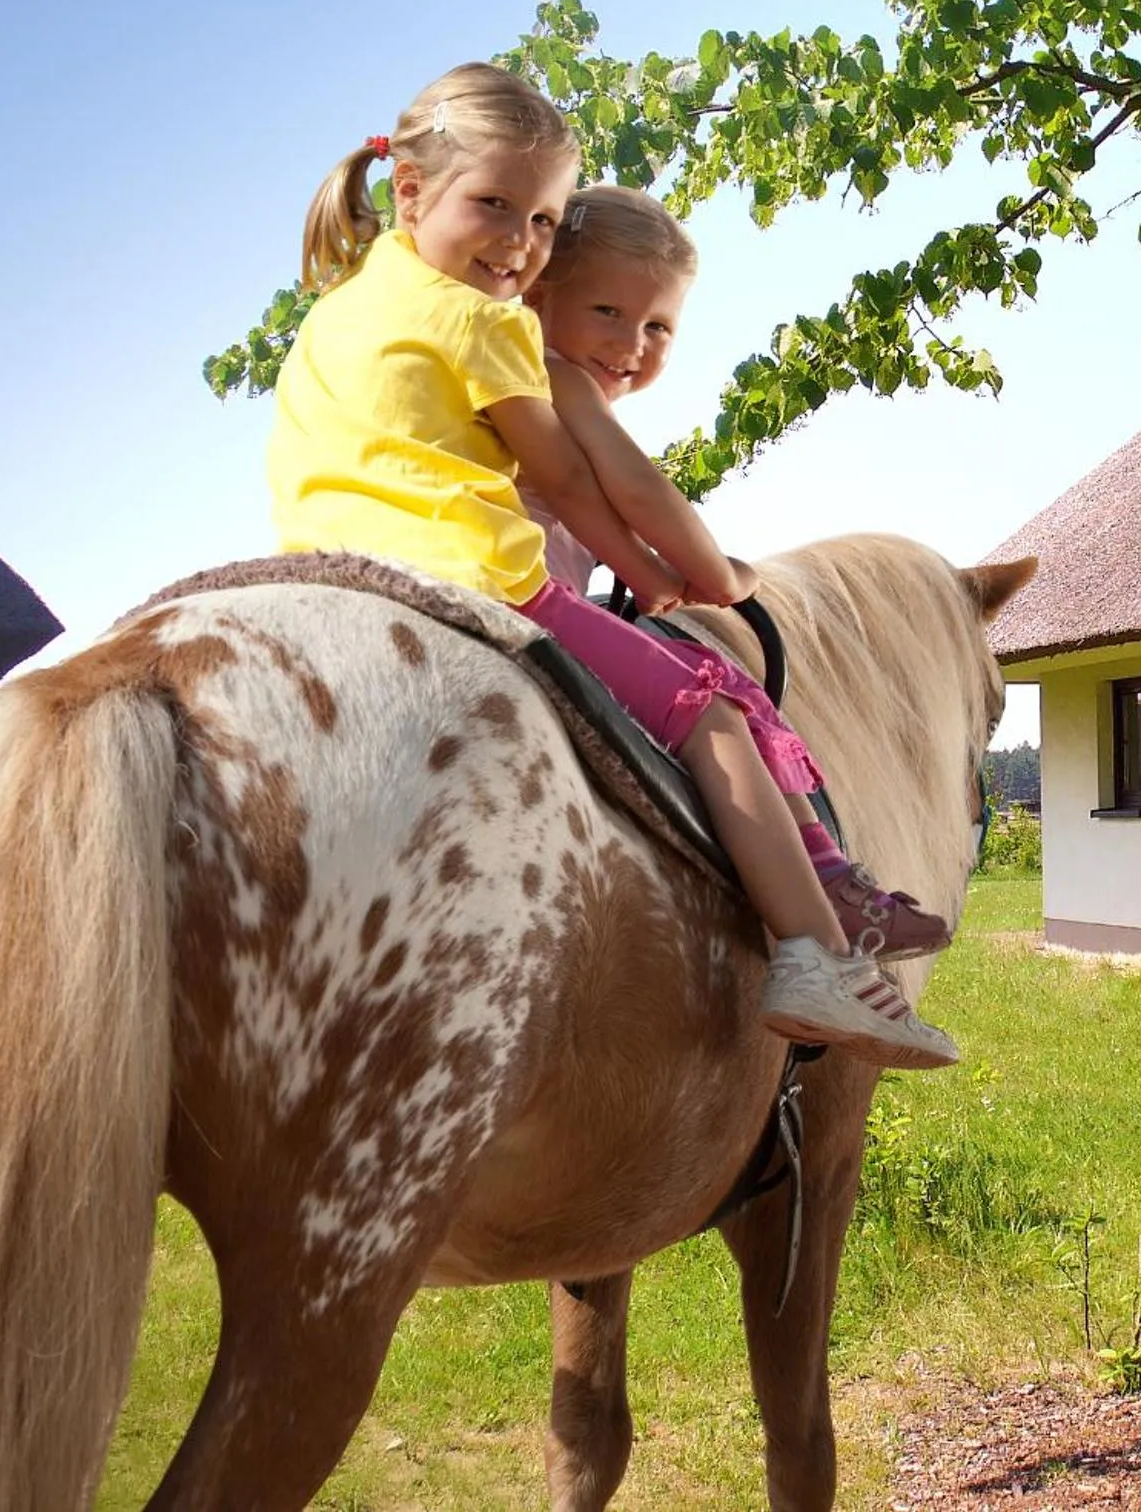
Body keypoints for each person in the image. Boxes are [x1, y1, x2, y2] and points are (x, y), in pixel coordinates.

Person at [268, 62, 957, 1069]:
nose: (517, 242)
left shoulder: (343, 304)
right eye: (497, 207)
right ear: (410, 192)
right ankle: (814, 950)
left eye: (541, 221)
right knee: (712, 709)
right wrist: (706, 576)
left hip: (319, 575)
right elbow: (593, 490)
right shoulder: (490, 322)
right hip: (472, 578)